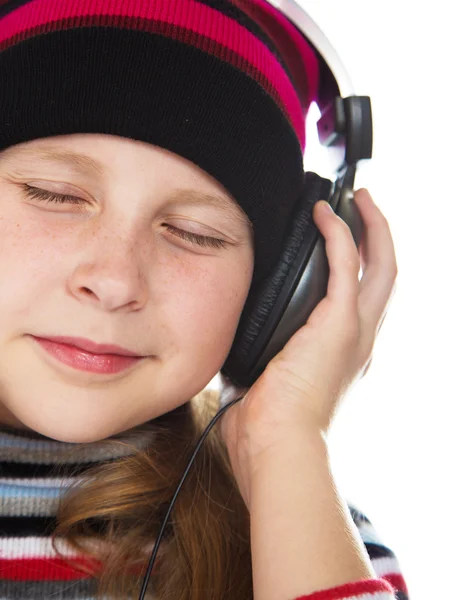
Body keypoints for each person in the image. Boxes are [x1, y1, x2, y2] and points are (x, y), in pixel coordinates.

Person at [0, 0, 409, 599]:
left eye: (195, 233)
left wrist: (286, 442)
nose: (114, 282)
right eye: (54, 195)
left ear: (284, 288)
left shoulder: (305, 531)